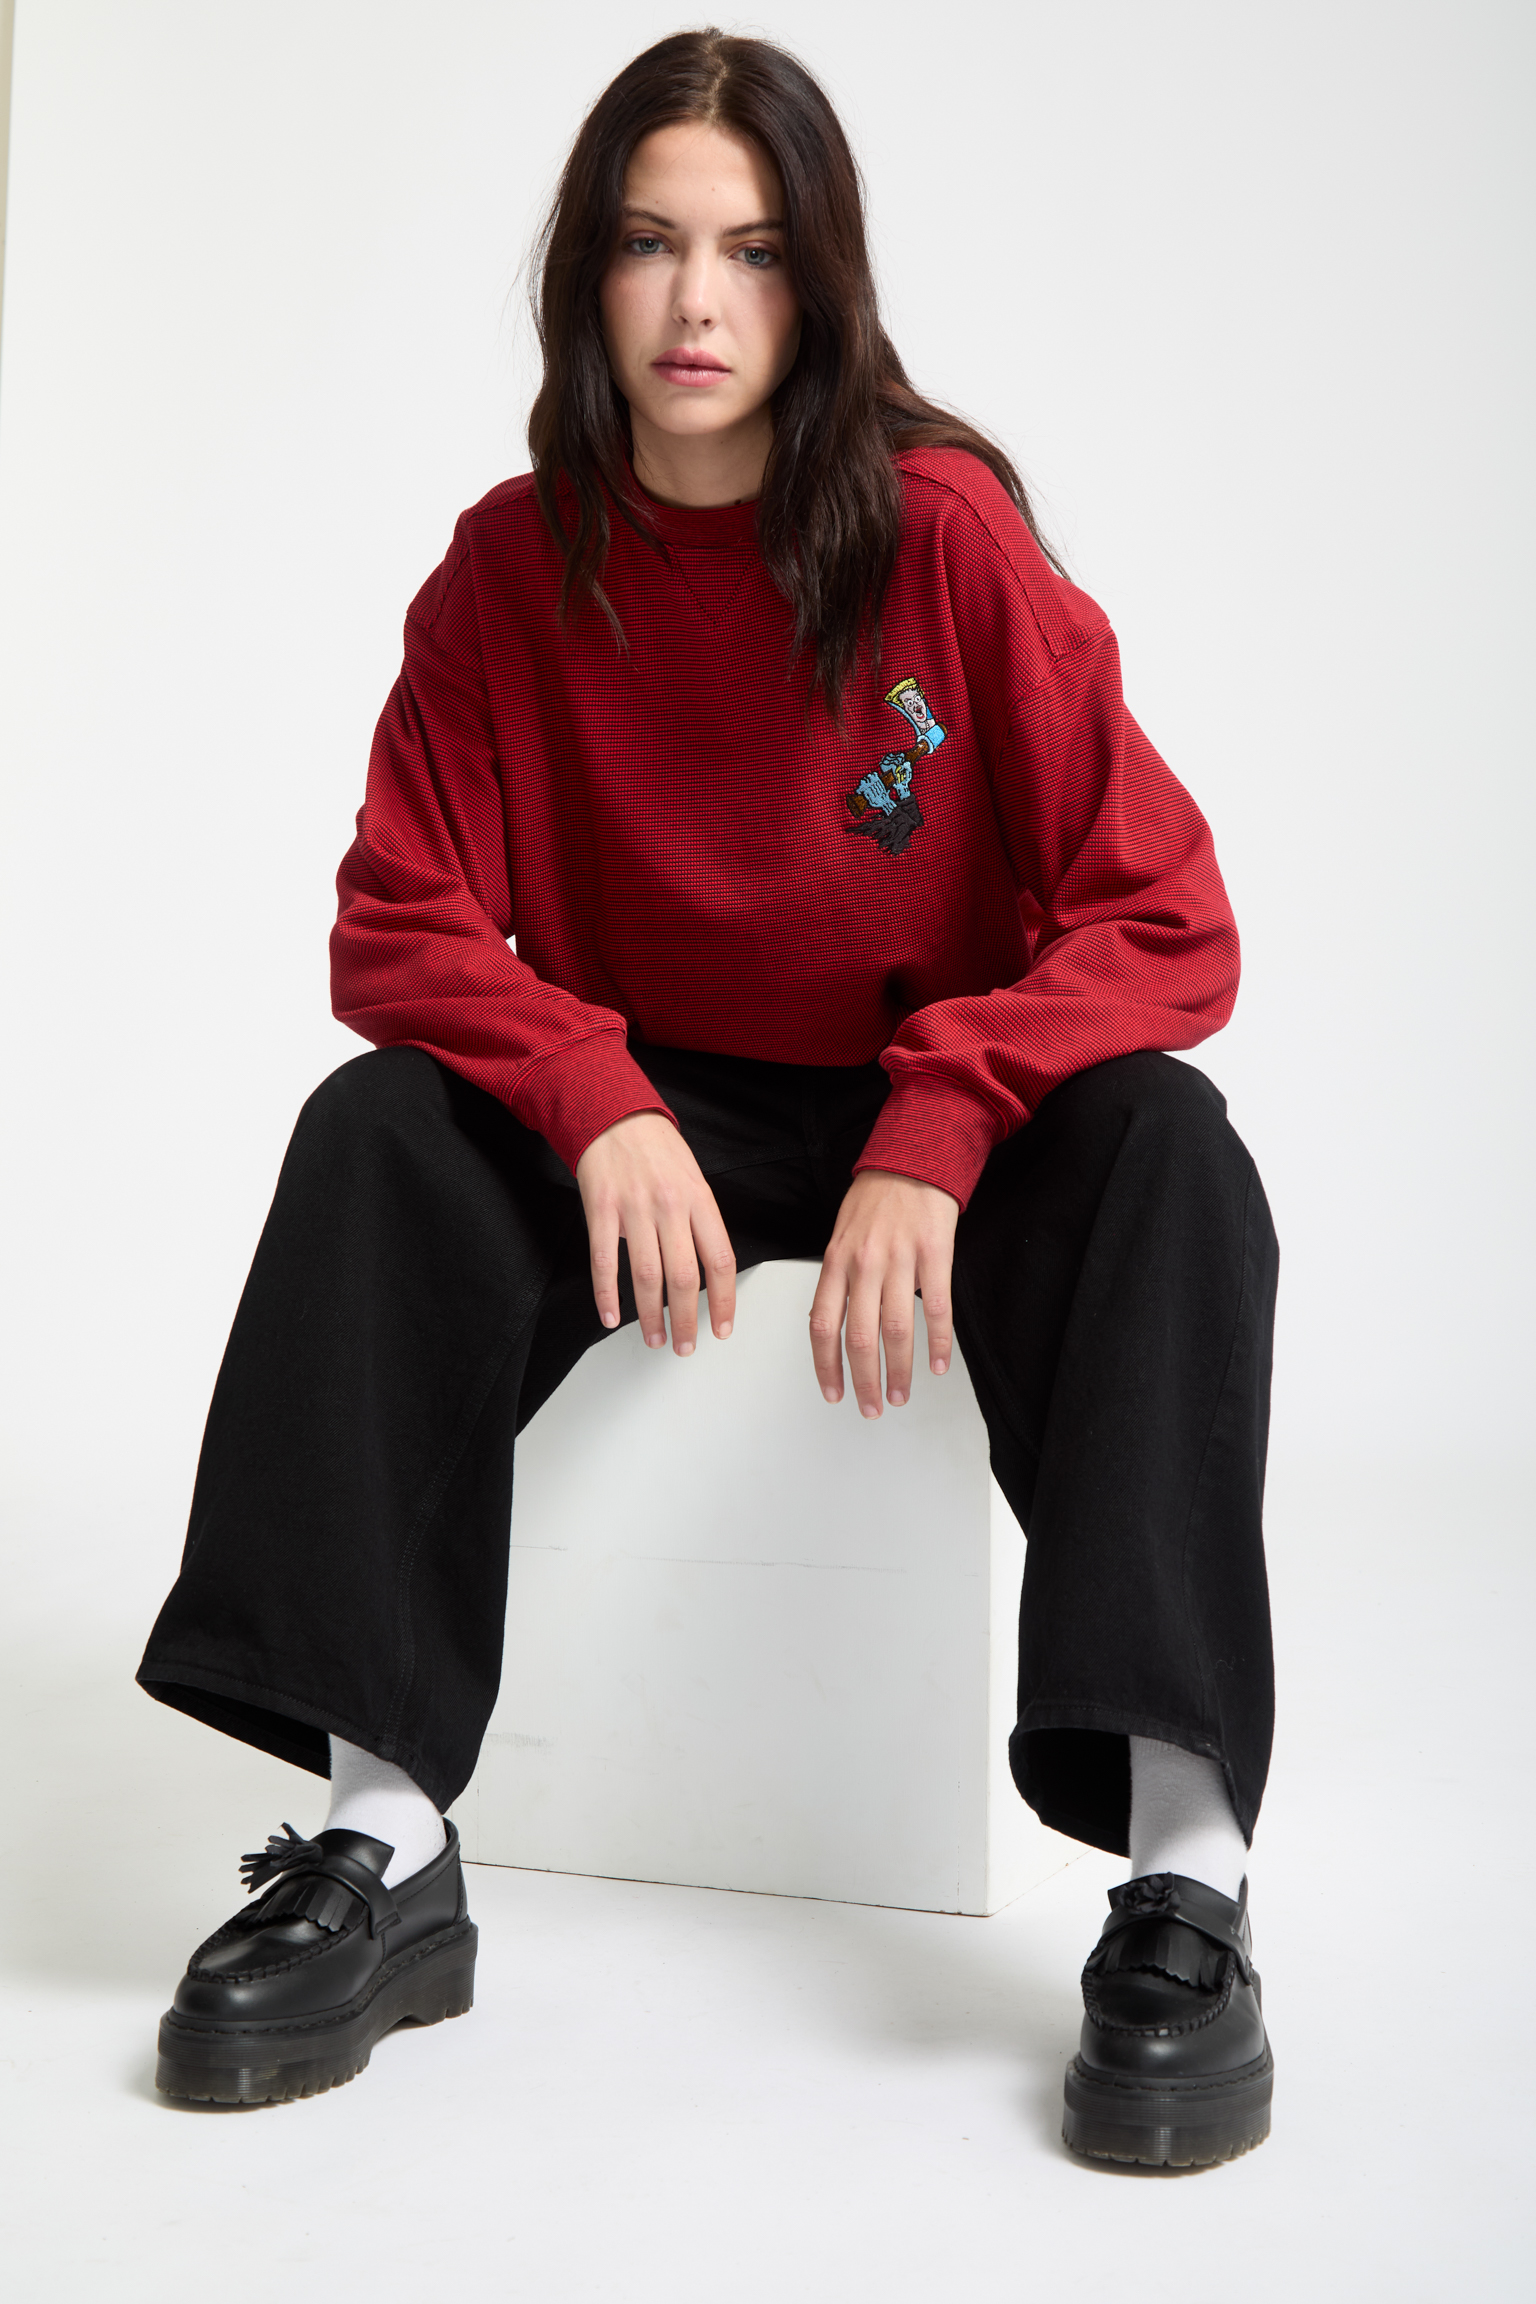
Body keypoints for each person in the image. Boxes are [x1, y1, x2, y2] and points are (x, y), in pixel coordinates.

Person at [138, 28, 1279, 2167]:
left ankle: (1185, 1884)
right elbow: (395, 918)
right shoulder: (507, 568)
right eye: (649, 247)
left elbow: (1168, 915)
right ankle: (381, 1840)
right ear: (586, 276)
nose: (694, 306)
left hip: (921, 1097)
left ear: (818, 286)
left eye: (751, 255)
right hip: (641, 1113)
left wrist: (940, 1124)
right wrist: (587, 1088)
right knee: (376, 1127)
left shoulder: (942, 540)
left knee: (1176, 1163)